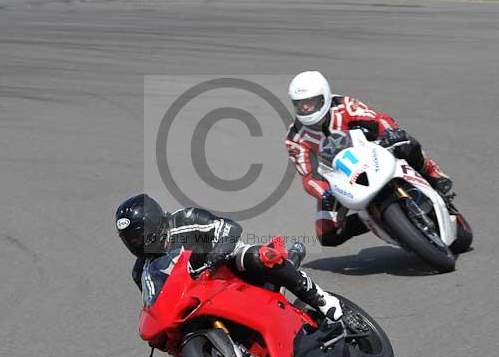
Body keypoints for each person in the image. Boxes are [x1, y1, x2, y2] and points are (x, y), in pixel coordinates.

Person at [115, 193, 344, 324]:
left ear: (154, 223)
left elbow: (229, 228)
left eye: (139, 235)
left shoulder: (184, 220)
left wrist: (216, 255)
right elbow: (154, 303)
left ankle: (320, 298)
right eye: (131, 240)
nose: (137, 243)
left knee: (259, 256)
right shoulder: (141, 271)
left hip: (225, 266)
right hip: (195, 296)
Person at [286, 70, 453, 247]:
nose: (305, 108)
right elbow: (309, 176)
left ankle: (433, 173)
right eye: (300, 104)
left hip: (373, 153)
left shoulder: (345, 105)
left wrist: (390, 132)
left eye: (310, 102)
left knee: (406, 143)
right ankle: (371, 219)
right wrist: (325, 193)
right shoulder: (294, 138)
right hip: (341, 180)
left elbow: (378, 120)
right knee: (327, 235)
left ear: (324, 98)